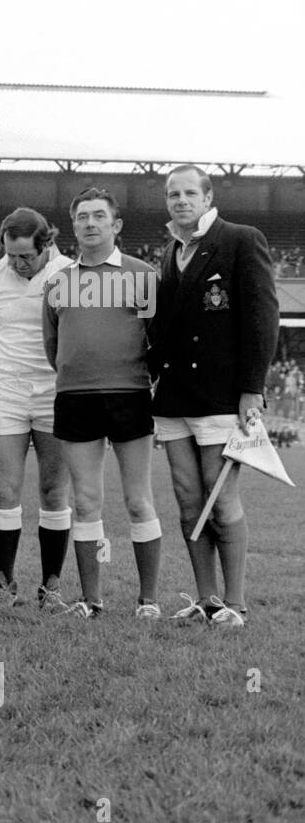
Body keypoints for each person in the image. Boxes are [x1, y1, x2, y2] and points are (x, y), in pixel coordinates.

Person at [150, 165, 279, 626]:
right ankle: (206, 599)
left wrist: (252, 389)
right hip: (174, 399)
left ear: (207, 198)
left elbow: (262, 318)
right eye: (172, 194)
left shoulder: (241, 239)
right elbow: (164, 331)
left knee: (220, 499)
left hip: (223, 395)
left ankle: (236, 602)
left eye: (189, 193)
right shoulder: (168, 252)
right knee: (188, 498)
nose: (180, 200)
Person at [42, 187, 162, 619]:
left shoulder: (143, 276)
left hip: (129, 395)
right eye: (82, 217)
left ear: (116, 225)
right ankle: (91, 600)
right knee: (87, 500)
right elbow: (52, 346)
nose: (91, 223)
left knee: (137, 500)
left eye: (99, 216)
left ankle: (148, 600)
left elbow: (158, 339)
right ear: (73, 226)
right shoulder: (57, 283)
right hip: (75, 397)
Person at [0, 207, 74, 610]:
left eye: (26, 257)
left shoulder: (71, 273)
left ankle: (52, 585)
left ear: (46, 245)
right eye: (10, 255)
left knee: (53, 490)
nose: (17, 264)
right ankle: (4, 583)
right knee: (5, 489)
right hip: (5, 391)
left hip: (55, 392)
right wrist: (4, 376)